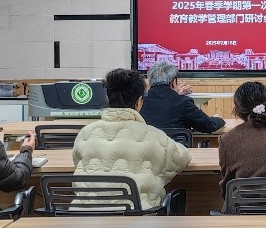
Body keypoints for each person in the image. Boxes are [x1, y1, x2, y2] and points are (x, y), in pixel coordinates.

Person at [72, 68, 190, 208]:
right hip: (138, 216)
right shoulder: (153, 135)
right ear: (139, 102)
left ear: (108, 98)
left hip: (85, 215)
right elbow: (181, 158)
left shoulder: (85, 134)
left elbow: (78, 163)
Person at [140, 60, 226, 136]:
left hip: (149, 149)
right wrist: (219, 119)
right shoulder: (183, 102)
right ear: (174, 82)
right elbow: (208, 126)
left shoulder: (139, 101)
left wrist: (175, 95)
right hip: (176, 148)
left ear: (150, 81)